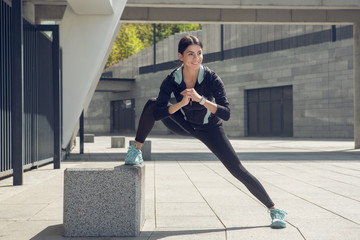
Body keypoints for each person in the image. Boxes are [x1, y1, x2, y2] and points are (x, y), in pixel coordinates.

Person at [124, 35, 287, 229]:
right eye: (190, 54)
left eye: (199, 53)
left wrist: (201, 100)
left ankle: (275, 210)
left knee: (236, 168)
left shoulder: (211, 78)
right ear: (181, 56)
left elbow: (226, 113)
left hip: (211, 129)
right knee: (151, 103)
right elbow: (158, 112)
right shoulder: (172, 79)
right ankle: (136, 150)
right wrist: (181, 103)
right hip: (183, 123)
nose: (196, 58)